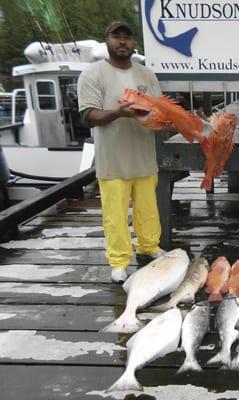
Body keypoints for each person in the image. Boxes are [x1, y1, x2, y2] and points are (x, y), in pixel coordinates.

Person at [77, 21, 165, 283]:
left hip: (144, 156)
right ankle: (119, 261)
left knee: (149, 208)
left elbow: (159, 111)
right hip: (113, 160)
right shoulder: (93, 74)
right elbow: (88, 115)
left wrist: (173, 121)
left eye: (127, 37)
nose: (123, 42)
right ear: (107, 41)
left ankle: (149, 246)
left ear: (133, 42)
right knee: (115, 215)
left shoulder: (147, 75)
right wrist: (119, 112)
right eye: (117, 37)